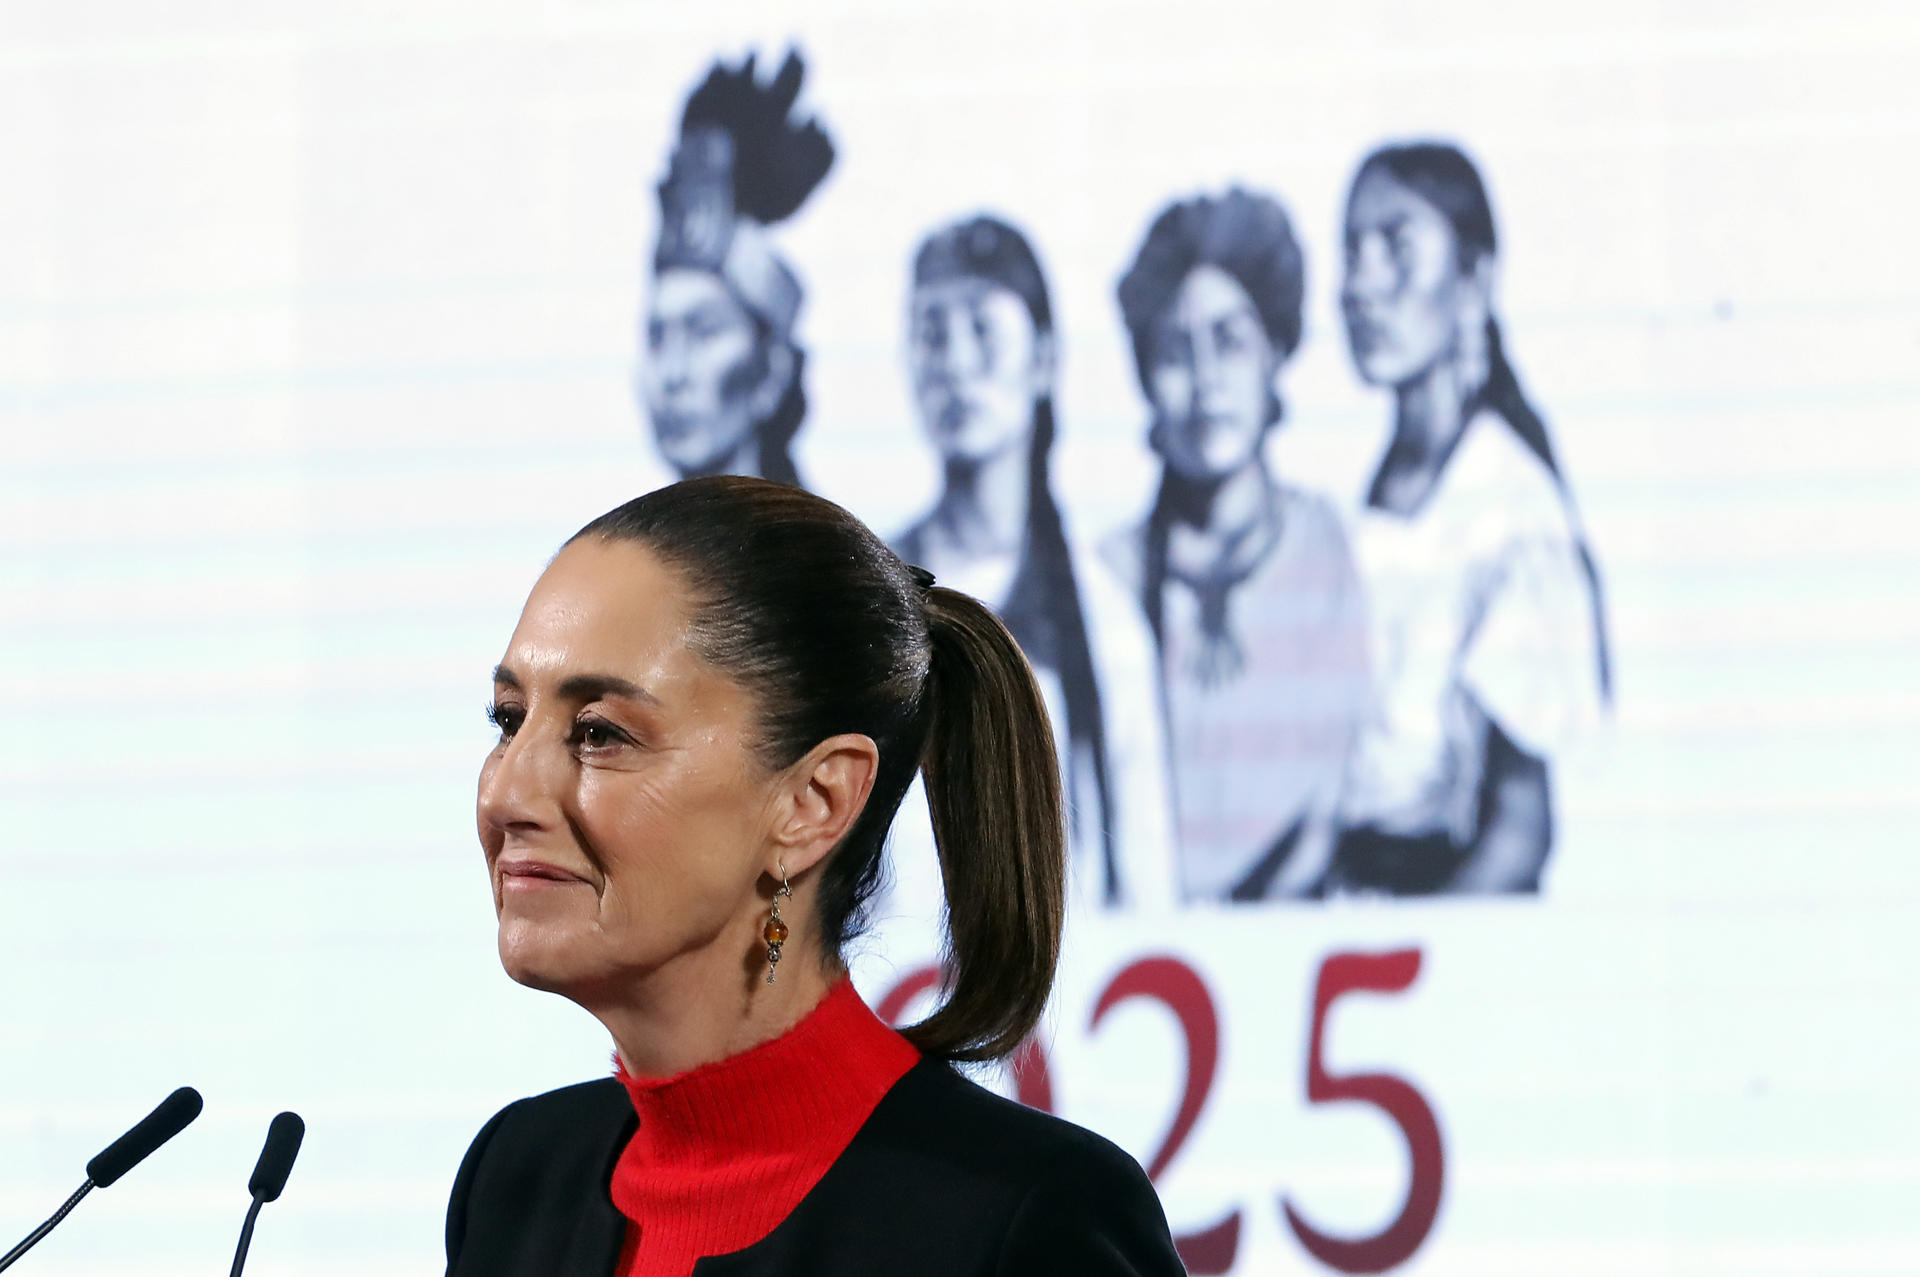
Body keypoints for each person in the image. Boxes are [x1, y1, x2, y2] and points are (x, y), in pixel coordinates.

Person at [444, 476, 1185, 1276]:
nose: (505, 792)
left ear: (812, 801)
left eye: (599, 732)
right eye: (508, 720)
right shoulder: (514, 1177)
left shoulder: (1033, 1216)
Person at [1333, 141, 1611, 895]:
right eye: (1350, 253)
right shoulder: (1369, 497)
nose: (1361, 286)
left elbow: (1520, 830)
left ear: (1474, 279)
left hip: (1446, 920)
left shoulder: (1509, 507)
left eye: (1397, 250)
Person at [893, 213, 1172, 910]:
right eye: (933, 335)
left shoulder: (1105, 623)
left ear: (1044, 358)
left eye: (982, 332)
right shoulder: (853, 605)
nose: (955, 364)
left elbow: (1148, 891)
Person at [1105, 189, 1372, 902]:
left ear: (1274, 354)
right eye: (1175, 351)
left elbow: (1347, 791)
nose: (1207, 381)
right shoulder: (1106, 580)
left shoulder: (1340, 551)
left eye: (1230, 341)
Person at [637, 51, 832, 488]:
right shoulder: (616, 553)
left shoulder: (822, 555)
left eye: (705, 332)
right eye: (655, 338)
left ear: (771, 372)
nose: (673, 375)